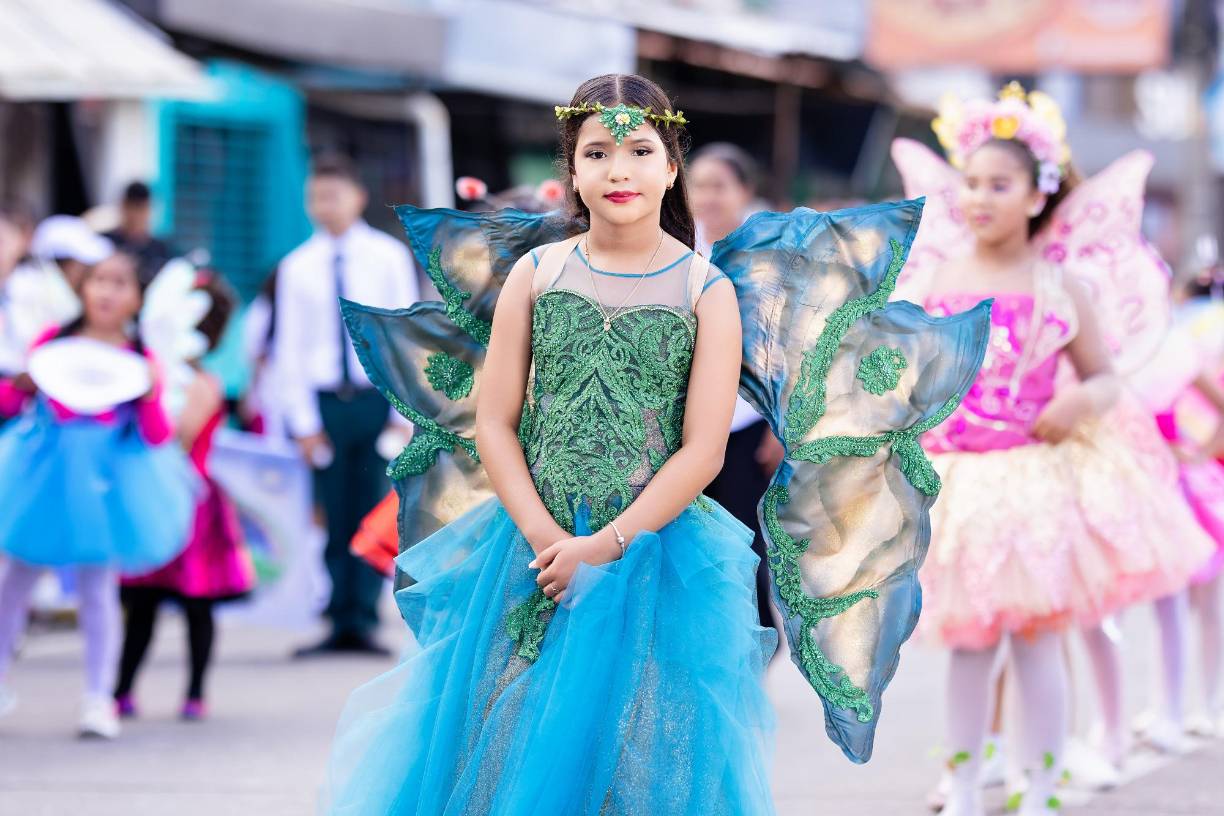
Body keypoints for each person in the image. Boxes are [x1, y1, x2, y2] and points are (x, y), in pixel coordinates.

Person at [319, 73, 990, 814]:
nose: (619, 171)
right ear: (570, 169)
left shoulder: (705, 289)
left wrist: (602, 546)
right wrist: (549, 540)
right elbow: (494, 423)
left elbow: (703, 450)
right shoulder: (536, 276)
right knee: (504, 743)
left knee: (638, 758)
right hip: (528, 550)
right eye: (597, 152)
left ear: (671, 166)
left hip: (657, 551)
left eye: (639, 150)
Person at [893, 83, 1215, 815]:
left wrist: (1077, 401)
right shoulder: (935, 277)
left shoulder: (1059, 283)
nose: (980, 198)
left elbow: (1106, 378)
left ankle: (1041, 789)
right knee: (972, 647)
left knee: (1037, 641)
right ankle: (969, 785)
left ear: (1037, 194)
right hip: (958, 484)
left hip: (1035, 481)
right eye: (970, 184)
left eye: (998, 185)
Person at [0, 252, 196, 738]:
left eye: (119, 283)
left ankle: (97, 697)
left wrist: (150, 394)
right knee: (15, 581)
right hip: (42, 475)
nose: (107, 291)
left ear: (136, 298)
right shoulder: (54, 341)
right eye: (98, 281)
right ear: (83, 290)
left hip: (108, 485)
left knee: (97, 589)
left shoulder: (139, 356)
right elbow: (13, 402)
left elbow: (155, 435)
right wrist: (23, 383)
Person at [275, 153, 419, 657]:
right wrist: (302, 421)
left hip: (374, 397)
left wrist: (406, 413)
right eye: (316, 196)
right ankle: (335, 615)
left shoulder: (386, 257)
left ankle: (364, 614)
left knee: (373, 505)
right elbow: (288, 347)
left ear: (357, 197)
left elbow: (404, 332)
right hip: (325, 401)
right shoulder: (296, 267)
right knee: (332, 509)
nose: (324, 205)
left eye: (333, 194)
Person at [115, 270, 256, 721]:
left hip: (189, 501)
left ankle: (195, 692)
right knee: (142, 604)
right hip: (161, 496)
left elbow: (178, 438)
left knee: (197, 603)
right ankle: (121, 689)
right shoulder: (162, 374)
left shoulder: (200, 383)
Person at [689, 142, 783, 630]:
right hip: (682, 428)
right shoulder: (679, 251)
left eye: (718, 185)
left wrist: (778, 428)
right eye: (697, 184)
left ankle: (754, 645)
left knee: (743, 542)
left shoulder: (768, 260)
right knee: (693, 545)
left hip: (747, 426)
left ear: (745, 191)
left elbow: (791, 350)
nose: (706, 196)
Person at [103, 182, 174, 285]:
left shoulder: (160, 249)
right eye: (132, 206)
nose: (136, 214)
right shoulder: (106, 242)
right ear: (123, 206)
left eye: (141, 207)